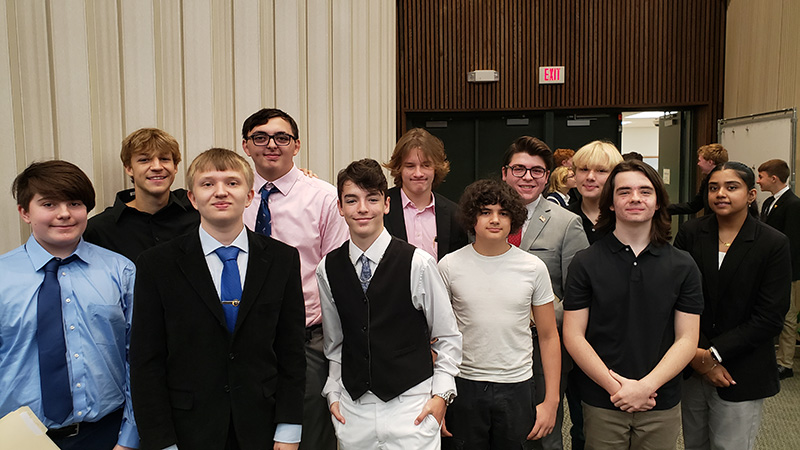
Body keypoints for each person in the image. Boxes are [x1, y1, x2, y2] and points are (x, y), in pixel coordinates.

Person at [131, 148, 306, 450]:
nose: (220, 192)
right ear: (192, 197)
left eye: (232, 183)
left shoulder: (282, 260)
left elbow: (291, 350)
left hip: (262, 426)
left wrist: (289, 428)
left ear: (250, 196)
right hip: (188, 429)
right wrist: (160, 440)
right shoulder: (157, 264)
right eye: (208, 183)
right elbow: (147, 361)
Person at [316, 158, 462, 450]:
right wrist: (333, 392)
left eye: (372, 199)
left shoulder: (417, 263)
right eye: (352, 200)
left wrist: (441, 396)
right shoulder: (327, 268)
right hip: (353, 409)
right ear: (340, 207)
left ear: (386, 204)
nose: (362, 209)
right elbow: (335, 342)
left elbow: (447, 336)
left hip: (411, 406)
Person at [563, 160, 703, 450]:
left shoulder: (683, 264)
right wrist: (618, 389)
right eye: (624, 191)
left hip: (660, 399)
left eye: (645, 191)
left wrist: (646, 387)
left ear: (658, 202)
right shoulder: (586, 262)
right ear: (611, 203)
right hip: (603, 398)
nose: (635, 198)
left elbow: (688, 338)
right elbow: (574, 335)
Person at [0, 160, 138, 449]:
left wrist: (129, 439)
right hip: (19, 439)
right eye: (48, 204)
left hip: (107, 435)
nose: (64, 214)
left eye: (74, 203)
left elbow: (138, 359)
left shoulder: (121, 272)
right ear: (24, 212)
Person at [240, 108, 348, 450]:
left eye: (282, 137)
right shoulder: (232, 194)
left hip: (306, 341)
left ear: (296, 145)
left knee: (309, 434)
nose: (271, 144)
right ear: (246, 146)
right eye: (260, 137)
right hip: (244, 339)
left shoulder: (323, 197)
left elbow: (337, 274)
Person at [675, 162, 791, 450]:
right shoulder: (690, 233)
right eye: (714, 188)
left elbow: (770, 316)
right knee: (694, 444)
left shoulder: (772, 243)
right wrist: (698, 356)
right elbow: (674, 298)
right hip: (691, 362)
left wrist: (714, 354)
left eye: (731, 187)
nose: (720, 194)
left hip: (743, 368)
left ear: (751, 195)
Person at [438, 178, 560, 449]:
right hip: (463, 384)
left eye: (503, 212)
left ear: (514, 218)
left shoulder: (533, 268)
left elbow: (549, 336)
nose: (495, 219)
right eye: (485, 212)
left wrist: (551, 401)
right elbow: (437, 336)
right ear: (472, 217)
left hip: (516, 386)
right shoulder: (449, 266)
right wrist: (438, 395)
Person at [500, 136, 589, 450]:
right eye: (519, 169)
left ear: (547, 176)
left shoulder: (567, 224)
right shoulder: (482, 220)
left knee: (543, 431)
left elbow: (579, 297)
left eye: (537, 171)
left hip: (543, 347)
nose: (527, 177)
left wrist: (538, 318)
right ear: (505, 173)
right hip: (492, 347)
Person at [84, 128, 199, 262]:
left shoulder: (198, 213)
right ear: (129, 168)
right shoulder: (100, 230)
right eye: (144, 160)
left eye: (164, 159)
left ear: (175, 167)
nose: (157, 166)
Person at [383, 128, 468, 260]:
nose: (418, 173)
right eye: (410, 166)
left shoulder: (455, 215)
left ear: (437, 168)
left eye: (426, 165)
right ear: (399, 168)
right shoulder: (380, 208)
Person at [757, 159, 800, 380]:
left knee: (788, 316)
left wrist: (785, 273)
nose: (758, 181)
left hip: (788, 271)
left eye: (761, 177)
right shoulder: (768, 203)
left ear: (773, 178)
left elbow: (791, 242)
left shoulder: (793, 204)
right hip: (769, 270)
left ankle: (785, 362)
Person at [568, 140, 624, 244]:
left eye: (601, 171)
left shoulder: (626, 218)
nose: (590, 177)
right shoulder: (563, 218)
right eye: (584, 169)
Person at [667, 143, 729, 216]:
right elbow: (694, 206)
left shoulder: (724, 181)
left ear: (710, 162)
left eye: (700, 160)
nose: (698, 164)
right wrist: (666, 209)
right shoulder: (706, 181)